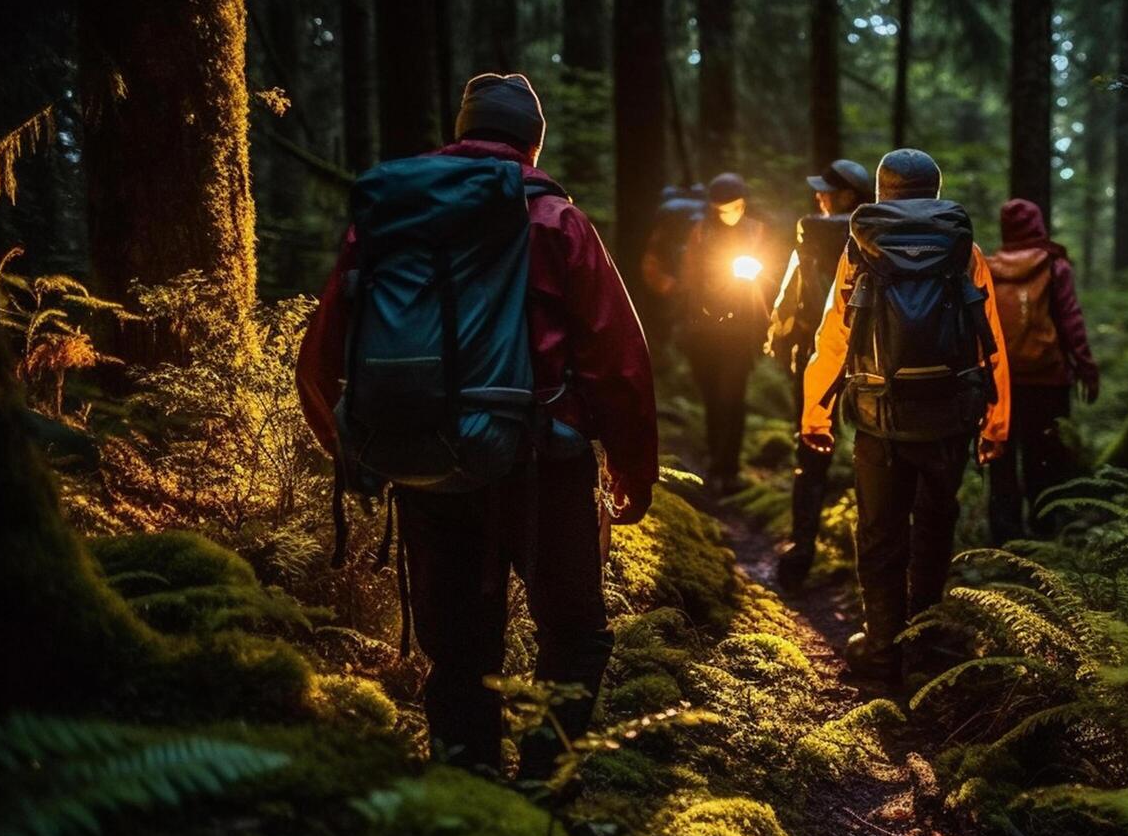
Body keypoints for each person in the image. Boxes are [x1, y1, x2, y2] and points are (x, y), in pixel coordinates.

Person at [295, 73, 658, 775]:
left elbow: (321, 356)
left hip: (426, 453)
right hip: (541, 464)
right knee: (575, 631)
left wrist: (357, 446)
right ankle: (544, 785)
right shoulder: (557, 221)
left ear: (463, 129)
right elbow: (618, 361)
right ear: (532, 141)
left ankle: (469, 783)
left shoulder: (390, 215)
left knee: (458, 646)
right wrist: (632, 469)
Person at [801, 149, 1011, 682]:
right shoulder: (964, 249)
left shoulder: (860, 248)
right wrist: (997, 422)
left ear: (881, 190)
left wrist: (814, 416)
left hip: (879, 415)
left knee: (879, 532)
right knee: (935, 527)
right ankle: (925, 643)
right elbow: (991, 342)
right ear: (935, 191)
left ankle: (881, 648)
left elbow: (834, 336)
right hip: (948, 415)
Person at [765, 158, 872, 588]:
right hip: (869, 362)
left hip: (816, 356)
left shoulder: (809, 234)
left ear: (847, 196)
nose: (818, 195)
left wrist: (776, 336)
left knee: (810, 450)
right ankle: (865, 557)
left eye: (826, 190)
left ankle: (801, 550)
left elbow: (788, 298)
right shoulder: (877, 237)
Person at [984, 198, 1100, 543]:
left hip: (1000, 382)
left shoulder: (987, 268)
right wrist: (1087, 369)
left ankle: (1005, 538)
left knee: (1001, 460)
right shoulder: (1054, 266)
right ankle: (1046, 530)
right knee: (1046, 458)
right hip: (1048, 381)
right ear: (1037, 225)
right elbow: (1071, 321)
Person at [680, 172, 778, 492]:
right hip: (704, 331)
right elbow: (689, 278)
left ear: (743, 204)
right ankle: (714, 464)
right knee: (711, 397)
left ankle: (729, 468)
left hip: (741, 331)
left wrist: (757, 276)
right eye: (720, 208)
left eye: (732, 206)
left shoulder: (757, 231)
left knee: (731, 397)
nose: (727, 213)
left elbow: (773, 275)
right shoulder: (700, 232)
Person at [639, 184, 707, 348]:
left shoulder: (662, 229)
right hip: (682, 287)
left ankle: (667, 349)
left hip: (674, 286)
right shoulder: (700, 224)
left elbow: (651, 264)